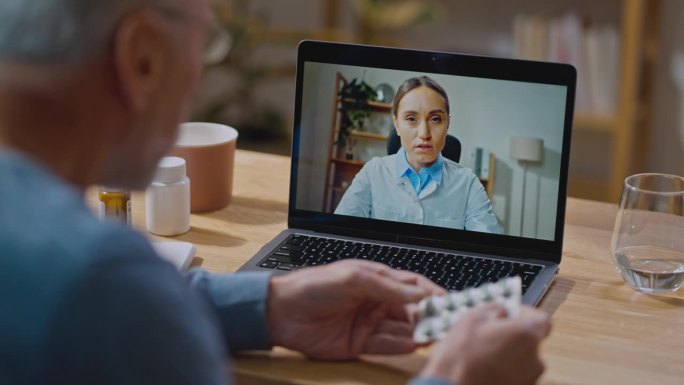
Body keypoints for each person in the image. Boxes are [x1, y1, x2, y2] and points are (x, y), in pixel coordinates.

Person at [0, 1, 549, 385]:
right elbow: (114, 305)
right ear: (141, 57)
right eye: (206, 43)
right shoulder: (105, 286)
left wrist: (271, 306)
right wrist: (454, 378)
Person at [335, 76, 501, 234]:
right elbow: (340, 234)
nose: (424, 133)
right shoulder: (373, 172)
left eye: (435, 119)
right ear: (397, 124)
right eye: (411, 118)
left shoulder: (468, 183)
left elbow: (489, 249)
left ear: (447, 124)